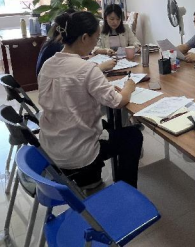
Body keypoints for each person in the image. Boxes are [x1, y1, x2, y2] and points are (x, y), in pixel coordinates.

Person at [38, 11, 143, 188]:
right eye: (96, 38)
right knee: (133, 135)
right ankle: (126, 190)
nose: (96, 43)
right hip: (77, 154)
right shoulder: (86, 69)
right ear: (85, 38)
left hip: (51, 148)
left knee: (108, 126)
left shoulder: (48, 64)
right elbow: (118, 102)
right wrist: (129, 87)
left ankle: (94, 178)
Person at [36, 9, 117, 76]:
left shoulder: (59, 43)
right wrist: (101, 67)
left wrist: (104, 51)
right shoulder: (57, 46)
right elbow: (78, 74)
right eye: (97, 38)